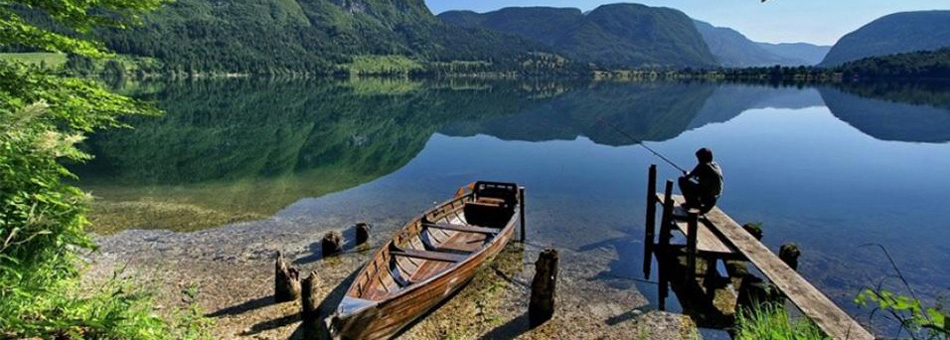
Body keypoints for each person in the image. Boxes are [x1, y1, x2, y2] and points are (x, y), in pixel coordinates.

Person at [678, 148, 723, 213]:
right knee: (701, 186)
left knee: (682, 180)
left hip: (706, 197)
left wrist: (688, 174)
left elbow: (688, 177)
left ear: (702, 158)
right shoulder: (716, 165)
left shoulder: (703, 165)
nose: (698, 160)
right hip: (713, 199)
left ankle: (691, 203)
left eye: (699, 158)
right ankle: (697, 203)